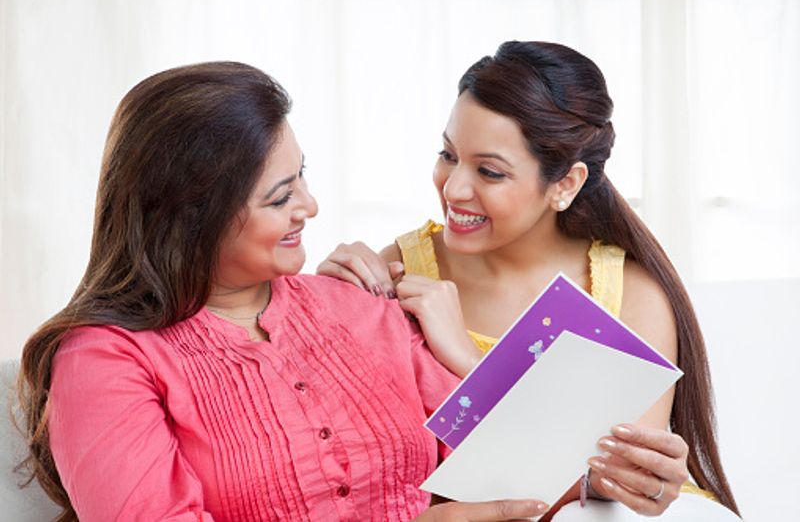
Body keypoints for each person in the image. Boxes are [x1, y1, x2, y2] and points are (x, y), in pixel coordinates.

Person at [15, 62, 551, 521]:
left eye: (302, 177)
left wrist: (465, 356)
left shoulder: (360, 303)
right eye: (279, 198)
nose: (310, 206)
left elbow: (519, 469)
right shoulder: (105, 359)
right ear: (191, 217)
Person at [317, 41, 740, 519]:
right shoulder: (399, 273)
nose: (453, 187)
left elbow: (596, 493)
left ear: (565, 184)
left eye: (489, 172)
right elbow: (355, 469)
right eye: (448, 154)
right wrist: (314, 309)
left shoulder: (629, 296)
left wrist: (468, 359)